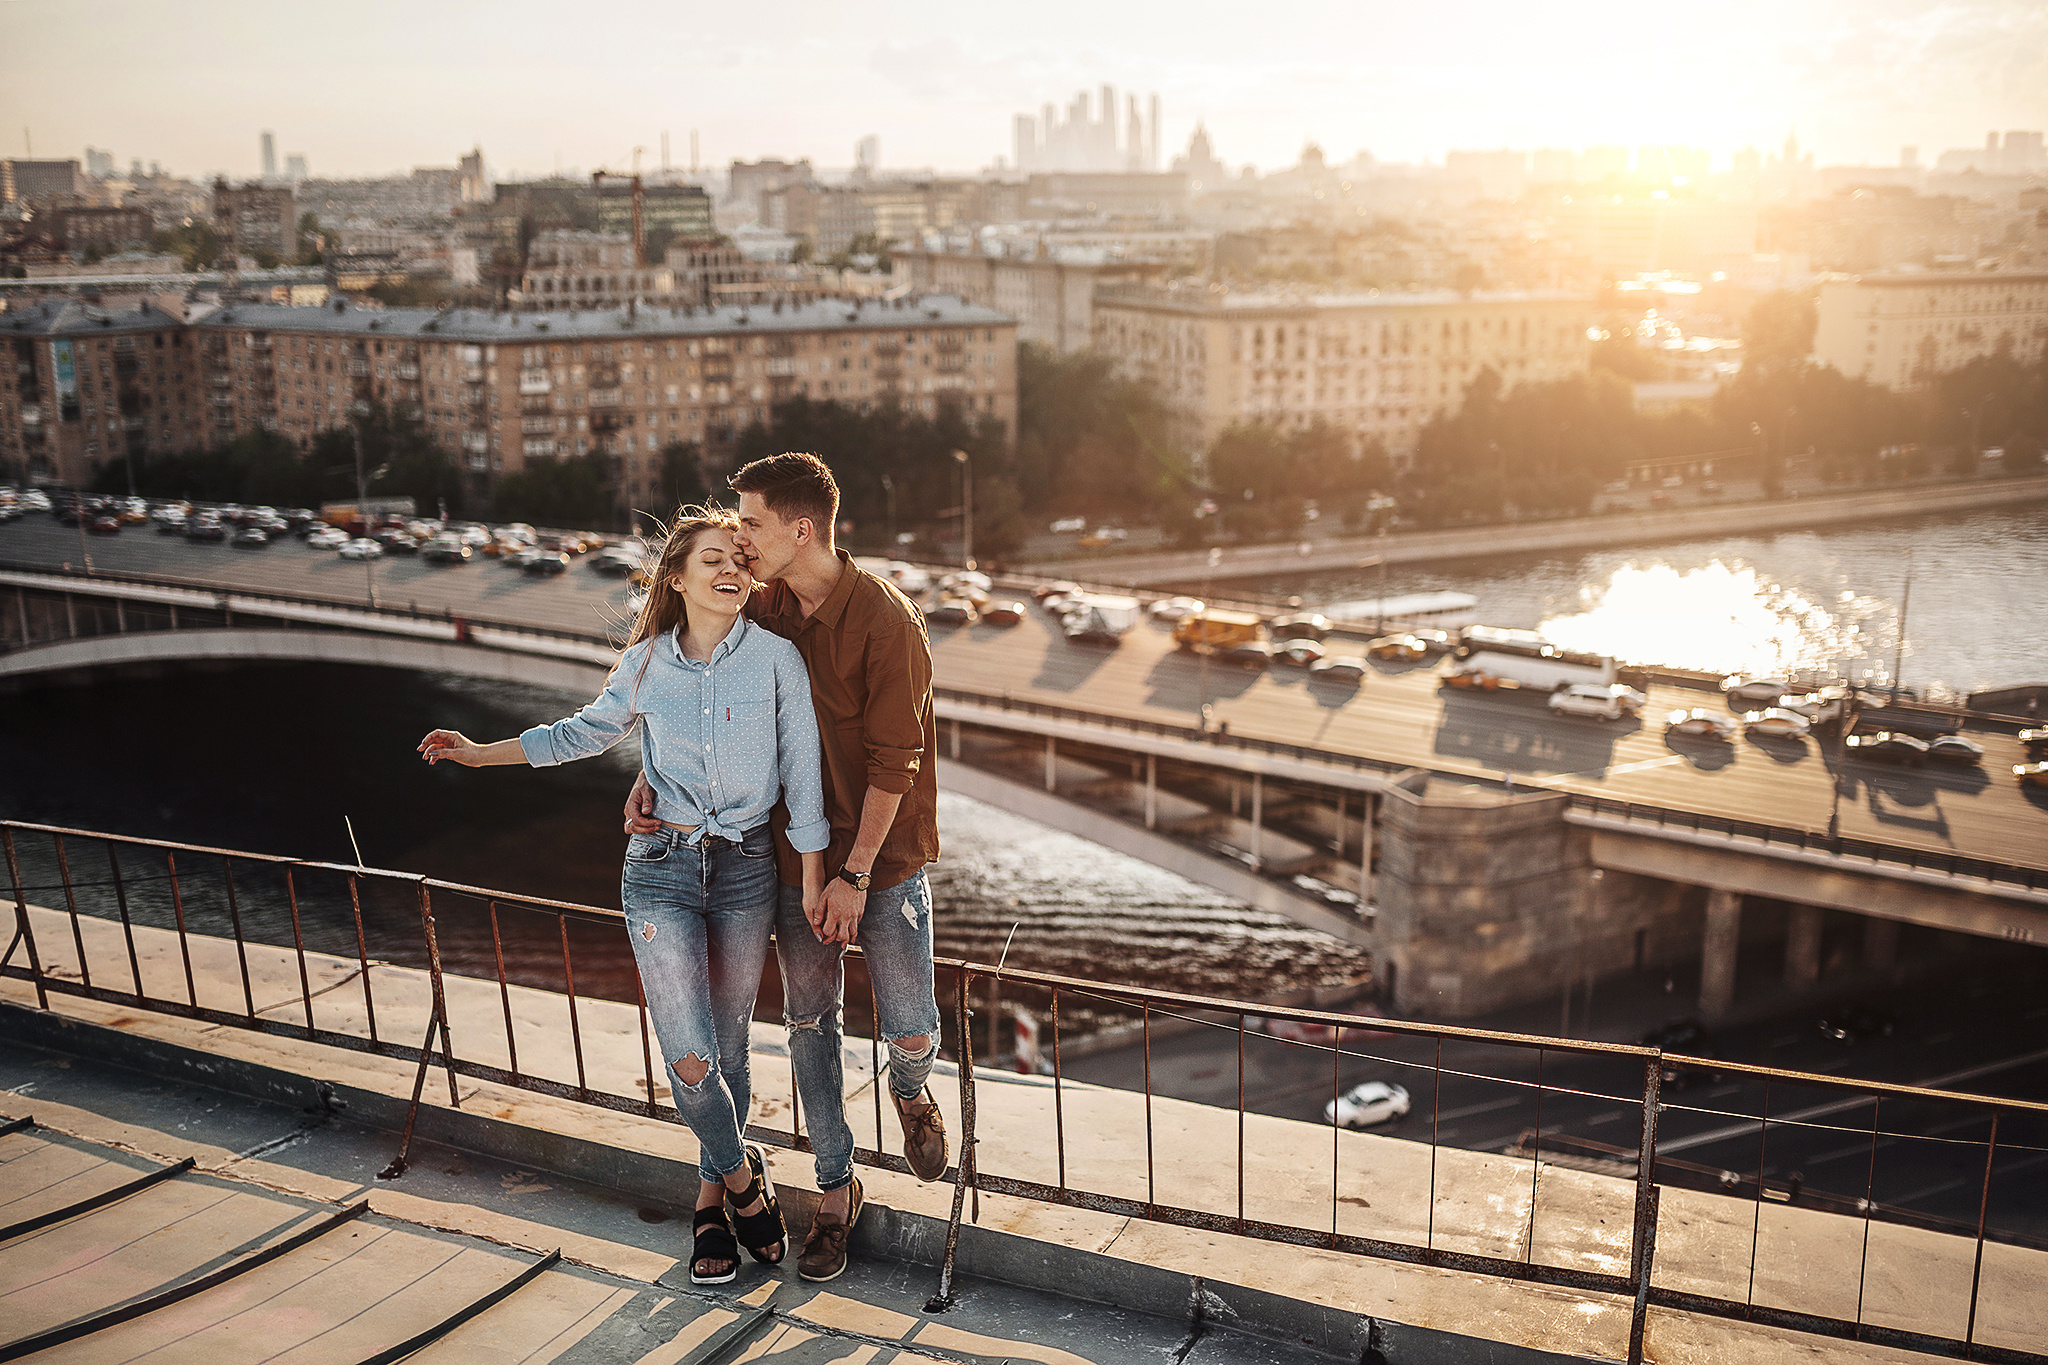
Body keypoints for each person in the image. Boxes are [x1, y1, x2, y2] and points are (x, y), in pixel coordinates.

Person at [418, 506, 826, 1286]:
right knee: (688, 1055)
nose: (731, 568)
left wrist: (808, 879)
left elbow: (802, 777)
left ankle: (711, 1204)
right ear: (677, 576)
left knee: (730, 1046)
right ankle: (745, 1181)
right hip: (661, 867)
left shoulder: (778, 660)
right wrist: (481, 753)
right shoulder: (644, 663)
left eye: (739, 557)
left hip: (745, 869)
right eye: (712, 558)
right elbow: (580, 732)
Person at [625, 452, 946, 1284]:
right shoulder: (759, 607)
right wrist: (650, 777)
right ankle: (838, 1190)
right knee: (812, 1024)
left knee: (912, 1025)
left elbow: (894, 764)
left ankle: (912, 1087)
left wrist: (855, 874)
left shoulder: (888, 623)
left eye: (753, 523)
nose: (739, 536)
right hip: (793, 858)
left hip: (883, 858)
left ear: (801, 530)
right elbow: (694, 702)